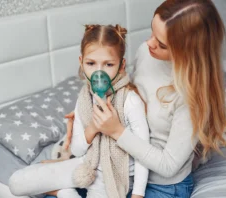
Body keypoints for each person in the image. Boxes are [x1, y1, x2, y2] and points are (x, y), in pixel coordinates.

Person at [64, 0, 226, 197]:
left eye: (161, 44)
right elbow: (127, 92)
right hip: (126, 171)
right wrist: (85, 115)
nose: (149, 43)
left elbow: (168, 166)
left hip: (164, 185)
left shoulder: (192, 98)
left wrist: (117, 132)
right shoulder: (146, 52)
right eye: (152, 32)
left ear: (188, 51)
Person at [9, 24, 150, 198]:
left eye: (108, 64)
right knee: (17, 182)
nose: (99, 72)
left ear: (121, 66)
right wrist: (93, 127)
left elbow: (144, 153)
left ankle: (64, 193)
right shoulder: (84, 98)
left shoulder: (130, 101)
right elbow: (77, 150)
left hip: (114, 175)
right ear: (81, 62)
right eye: (91, 63)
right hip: (86, 165)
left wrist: (138, 194)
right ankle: (64, 190)